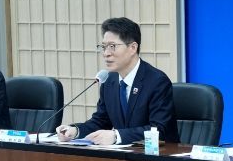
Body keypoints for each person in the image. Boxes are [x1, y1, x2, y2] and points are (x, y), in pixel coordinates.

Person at [56, 17, 178, 145]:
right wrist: (75, 131)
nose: (106, 53)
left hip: (159, 153)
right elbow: (101, 121)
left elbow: (159, 130)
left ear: (133, 48)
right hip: (124, 154)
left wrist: (116, 136)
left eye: (112, 46)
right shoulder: (109, 81)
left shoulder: (157, 81)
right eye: (104, 47)